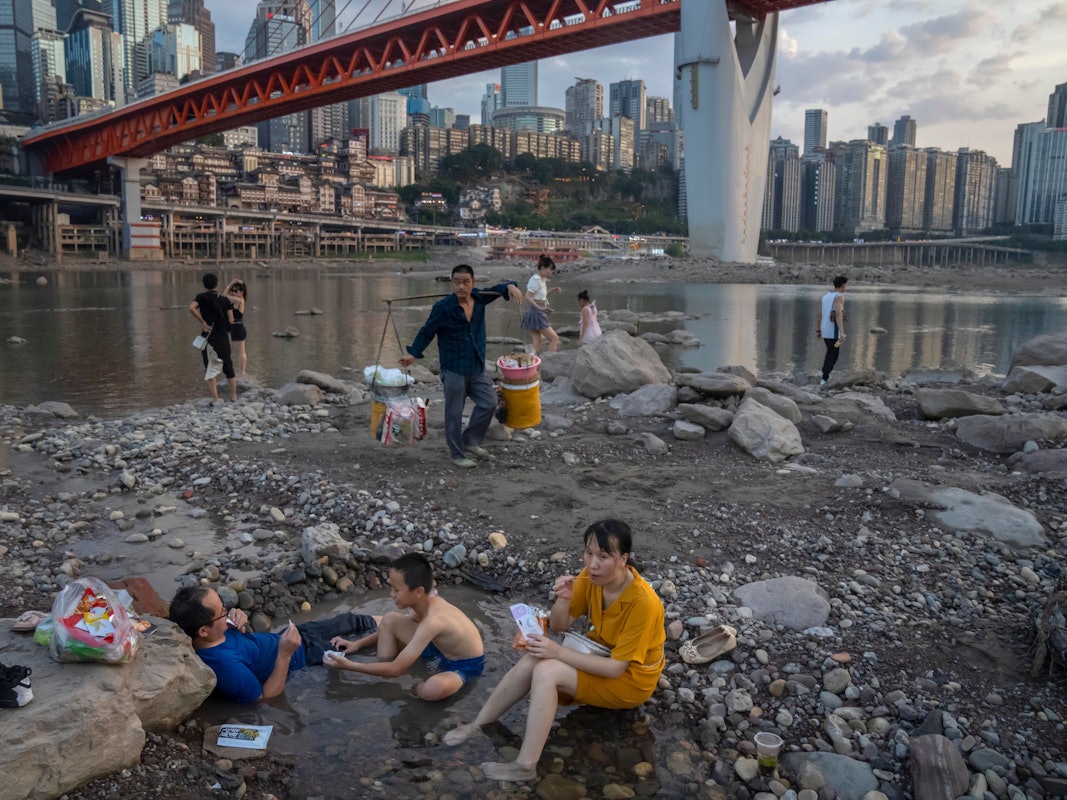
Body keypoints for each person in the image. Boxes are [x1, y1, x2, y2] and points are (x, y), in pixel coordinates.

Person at [443, 519, 665, 782]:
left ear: (622, 559)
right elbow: (560, 626)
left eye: (603, 556)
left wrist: (557, 653)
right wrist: (564, 598)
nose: (592, 563)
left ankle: (525, 765)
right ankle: (478, 724)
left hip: (630, 680)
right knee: (534, 658)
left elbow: (617, 668)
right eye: (589, 553)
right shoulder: (590, 577)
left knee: (548, 669)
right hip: (600, 655)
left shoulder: (644, 603)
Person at [398, 264, 523, 469]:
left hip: (476, 366)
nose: (461, 286)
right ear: (452, 283)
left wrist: (511, 286)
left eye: (465, 282)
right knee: (454, 412)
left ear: (473, 283)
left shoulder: (480, 298)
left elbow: (501, 288)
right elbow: (427, 331)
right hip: (454, 367)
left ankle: (470, 440)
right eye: (457, 282)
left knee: (489, 402)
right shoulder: (443, 307)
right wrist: (413, 353)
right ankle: (457, 453)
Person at [169, 585, 380, 704]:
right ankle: (404, 637)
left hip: (293, 635)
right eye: (222, 611)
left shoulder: (216, 630)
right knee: (368, 647)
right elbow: (265, 698)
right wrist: (284, 655)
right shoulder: (225, 667)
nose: (227, 611)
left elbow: (245, 645)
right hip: (307, 655)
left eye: (225, 606)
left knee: (352, 620)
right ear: (203, 631)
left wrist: (237, 619)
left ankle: (406, 620)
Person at [323, 553, 484, 701]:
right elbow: (397, 627)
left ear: (419, 591)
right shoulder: (426, 601)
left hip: (464, 665)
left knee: (432, 689)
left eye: (397, 590)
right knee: (390, 619)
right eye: (391, 588)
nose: (391, 594)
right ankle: (384, 669)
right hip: (438, 647)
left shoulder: (434, 620)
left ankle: (413, 688)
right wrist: (358, 644)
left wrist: (351, 666)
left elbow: (396, 670)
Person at [188, 273, 237, 403]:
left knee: (210, 367)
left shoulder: (201, 298)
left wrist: (202, 322)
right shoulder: (225, 300)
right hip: (222, 337)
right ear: (217, 284)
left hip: (208, 338)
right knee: (228, 366)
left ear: (204, 285)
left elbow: (191, 307)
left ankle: (215, 399)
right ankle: (234, 397)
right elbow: (231, 320)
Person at [520, 254, 562, 354]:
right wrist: (540, 308)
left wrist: (553, 290)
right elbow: (528, 296)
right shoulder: (536, 280)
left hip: (535, 311)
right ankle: (550, 361)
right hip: (537, 312)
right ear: (543, 268)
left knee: (538, 342)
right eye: (549, 269)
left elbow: (541, 296)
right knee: (554, 339)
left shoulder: (542, 280)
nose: (550, 272)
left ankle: (537, 364)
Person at [816, 275, 848, 385]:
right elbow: (838, 314)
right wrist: (842, 332)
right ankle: (824, 379)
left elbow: (820, 314)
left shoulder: (826, 296)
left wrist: (819, 330)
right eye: (845, 285)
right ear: (843, 285)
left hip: (825, 330)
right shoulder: (839, 296)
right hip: (834, 331)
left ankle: (823, 372)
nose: (846, 287)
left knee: (830, 352)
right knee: (834, 354)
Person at [223, 278, 248, 377]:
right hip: (234, 328)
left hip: (238, 328)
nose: (232, 292)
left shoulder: (238, 300)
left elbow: (223, 296)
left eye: (235, 291)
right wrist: (233, 284)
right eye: (232, 291)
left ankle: (242, 371)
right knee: (239, 351)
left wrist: (231, 284)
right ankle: (240, 370)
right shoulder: (238, 299)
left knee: (241, 351)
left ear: (241, 292)